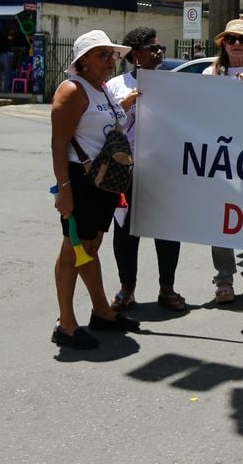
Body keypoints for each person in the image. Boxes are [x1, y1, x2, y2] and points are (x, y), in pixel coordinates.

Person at [49, 30, 141, 349]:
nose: (110, 60)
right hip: (80, 179)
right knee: (72, 249)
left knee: (89, 246)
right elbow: (59, 144)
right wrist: (64, 190)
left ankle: (102, 312)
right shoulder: (72, 90)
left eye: (112, 55)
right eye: (103, 55)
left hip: (103, 180)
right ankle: (66, 323)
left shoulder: (101, 90)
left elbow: (106, 128)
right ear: (83, 60)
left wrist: (126, 103)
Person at [105, 27, 186, 313]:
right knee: (125, 232)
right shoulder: (116, 86)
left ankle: (167, 288)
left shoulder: (174, 84)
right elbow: (103, 127)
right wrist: (127, 106)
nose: (159, 52)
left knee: (167, 230)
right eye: (152, 48)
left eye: (160, 48)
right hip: (125, 173)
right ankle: (127, 288)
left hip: (163, 169)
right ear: (135, 54)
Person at [204, 18, 243, 304]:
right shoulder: (209, 74)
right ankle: (224, 279)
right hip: (219, 158)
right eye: (231, 39)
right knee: (219, 220)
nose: (237, 44)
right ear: (223, 44)